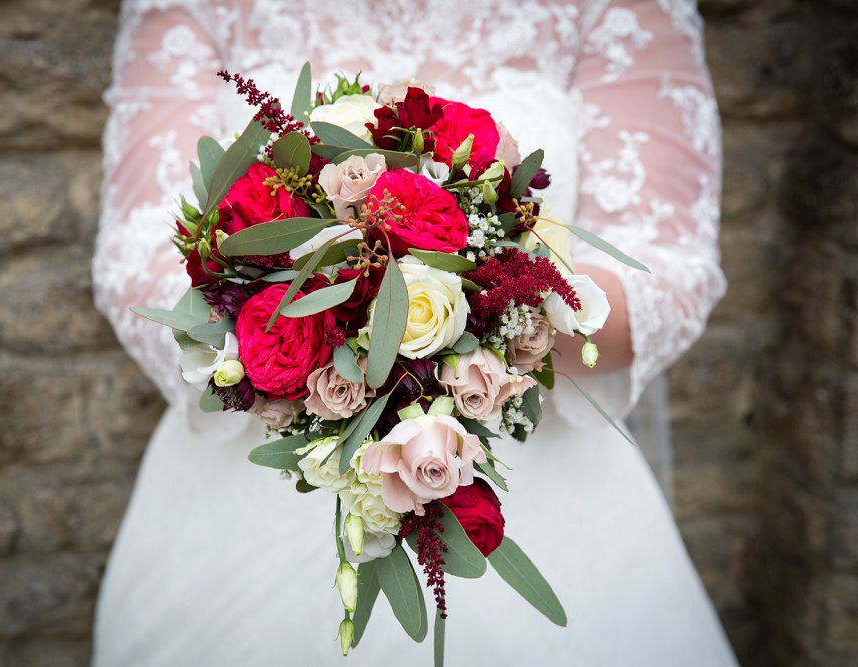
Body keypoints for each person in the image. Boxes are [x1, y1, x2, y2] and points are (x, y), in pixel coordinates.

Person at [92, 1, 737, 664]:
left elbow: (670, 277)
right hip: (252, 481)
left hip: (535, 466)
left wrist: (468, 302)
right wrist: (324, 315)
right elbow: (134, 262)